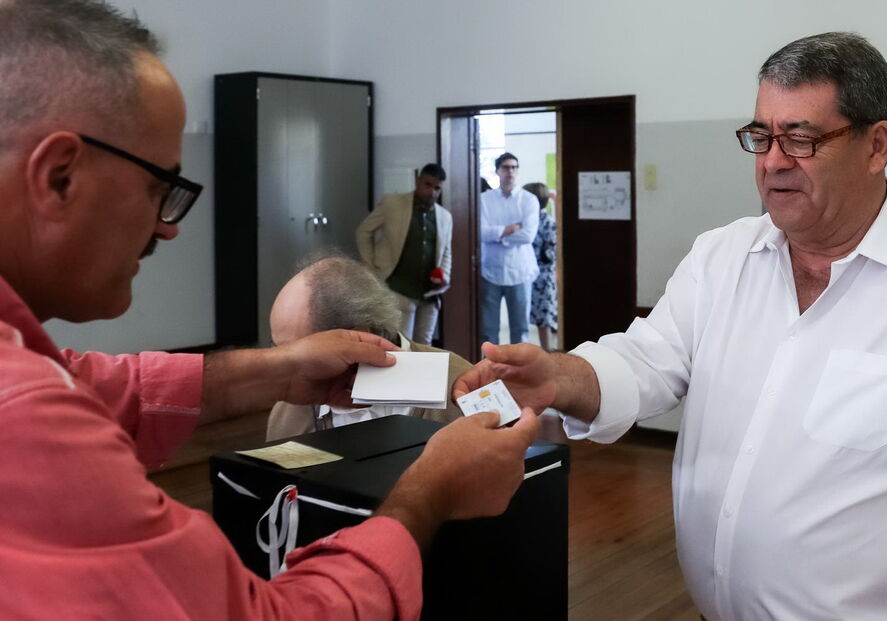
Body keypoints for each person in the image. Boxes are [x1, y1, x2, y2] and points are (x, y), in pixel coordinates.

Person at [0, 2, 539, 618]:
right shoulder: (30, 422)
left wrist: (275, 371)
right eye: (160, 188)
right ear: (59, 175)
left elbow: (97, 386)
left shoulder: (31, 378)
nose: (167, 228)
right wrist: (425, 496)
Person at [456, 32, 887, 619]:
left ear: (876, 145)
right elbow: (644, 361)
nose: (773, 160)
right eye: (761, 136)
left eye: (801, 138)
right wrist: (556, 378)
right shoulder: (722, 256)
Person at [266, 253, 471, 440]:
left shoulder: (460, 387)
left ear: (358, 338)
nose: (283, 372)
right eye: (278, 350)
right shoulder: (288, 411)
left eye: (297, 357)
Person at [356, 164, 452, 344]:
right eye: (427, 184)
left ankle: (424, 374)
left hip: (429, 294)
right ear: (418, 181)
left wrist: (445, 275)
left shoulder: (445, 217)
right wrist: (371, 266)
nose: (431, 191)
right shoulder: (392, 204)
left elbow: (446, 251)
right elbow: (363, 231)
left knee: (425, 346)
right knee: (401, 344)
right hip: (398, 289)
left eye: (437, 188)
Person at [479, 153, 539, 344]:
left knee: (520, 330)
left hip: (520, 272)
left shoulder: (529, 200)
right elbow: (480, 232)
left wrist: (497, 236)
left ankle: (519, 373)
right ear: (497, 171)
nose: (510, 172)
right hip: (490, 270)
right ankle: (489, 371)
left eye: (514, 167)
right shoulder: (484, 199)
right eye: (505, 167)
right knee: (488, 331)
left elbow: (528, 235)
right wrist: (508, 229)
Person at [523, 182, 558, 350]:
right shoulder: (526, 219)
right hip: (526, 273)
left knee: (544, 320)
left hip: (543, 276)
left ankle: (547, 352)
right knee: (525, 317)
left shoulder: (547, 222)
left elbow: (551, 251)